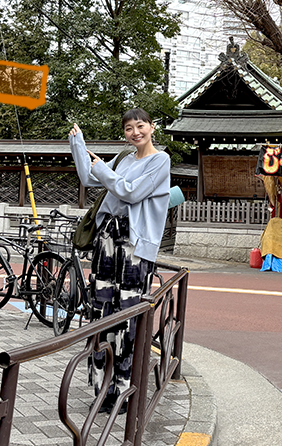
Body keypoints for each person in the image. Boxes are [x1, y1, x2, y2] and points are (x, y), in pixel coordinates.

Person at [69, 109, 171, 415]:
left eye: (140, 126)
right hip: (107, 239)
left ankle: (124, 390)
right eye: (128, 128)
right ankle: (102, 389)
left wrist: (103, 169)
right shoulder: (124, 158)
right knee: (101, 311)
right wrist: (78, 143)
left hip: (134, 246)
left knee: (127, 315)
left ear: (152, 127)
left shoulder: (160, 161)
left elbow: (131, 192)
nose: (135, 132)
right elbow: (89, 177)